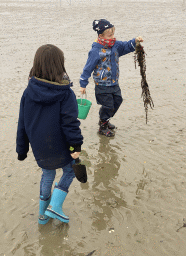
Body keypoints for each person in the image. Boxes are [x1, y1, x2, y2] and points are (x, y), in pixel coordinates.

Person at [16, 44, 83, 225]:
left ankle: (43, 215)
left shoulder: (28, 92)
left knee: (47, 174)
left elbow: (22, 122)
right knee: (69, 171)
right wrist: (76, 145)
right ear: (59, 65)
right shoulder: (65, 93)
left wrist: (21, 149)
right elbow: (70, 122)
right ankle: (55, 206)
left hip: (40, 146)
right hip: (60, 143)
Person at [80, 19, 143, 137]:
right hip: (102, 85)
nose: (113, 37)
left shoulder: (115, 45)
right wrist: (83, 84)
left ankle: (105, 119)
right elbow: (88, 68)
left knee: (118, 101)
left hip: (114, 82)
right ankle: (102, 125)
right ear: (101, 35)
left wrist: (135, 41)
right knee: (108, 105)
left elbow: (126, 46)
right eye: (110, 35)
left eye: (113, 34)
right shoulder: (95, 50)